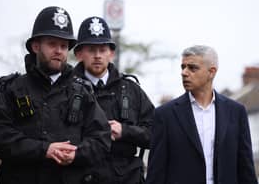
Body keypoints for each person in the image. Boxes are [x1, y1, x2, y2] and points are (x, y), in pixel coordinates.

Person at [0, 6, 111, 184]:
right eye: (52, 44)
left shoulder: (82, 92)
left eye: (63, 46)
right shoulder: (13, 88)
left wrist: (77, 153)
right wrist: (44, 150)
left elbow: (102, 138)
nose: (59, 51)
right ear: (36, 46)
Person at [146, 45, 258, 184]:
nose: (184, 73)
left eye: (192, 68)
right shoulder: (165, 114)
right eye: (183, 67)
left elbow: (246, 167)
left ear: (211, 72)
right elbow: (156, 172)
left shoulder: (236, 112)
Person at [72, 16, 154, 184]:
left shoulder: (131, 90)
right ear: (79, 54)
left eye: (102, 50)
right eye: (91, 50)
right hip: (80, 175)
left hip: (126, 178)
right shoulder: (66, 90)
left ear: (111, 53)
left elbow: (157, 133)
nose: (97, 56)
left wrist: (125, 131)